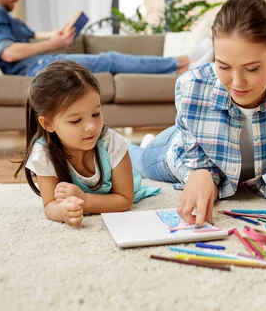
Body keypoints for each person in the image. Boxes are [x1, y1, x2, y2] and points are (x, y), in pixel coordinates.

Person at [129, 0, 266, 226]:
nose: (238, 82)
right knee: (136, 160)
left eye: (251, 68)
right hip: (175, 150)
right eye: (223, 66)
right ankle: (134, 143)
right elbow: (196, 165)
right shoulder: (191, 86)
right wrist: (200, 175)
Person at [0, 0, 209, 76]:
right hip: (35, 67)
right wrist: (53, 44)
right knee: (110, 59)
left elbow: (29, 34)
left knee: (109, 59)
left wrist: (56, 33)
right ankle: (182, 63)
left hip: (37, 63)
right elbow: (8, 53)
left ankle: (181, 64)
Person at [14, 60, 160, 227]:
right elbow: (50, 205)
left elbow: (125, 200)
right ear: (47, 124)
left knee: (151, 161)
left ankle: (149, 144)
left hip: (131, 163)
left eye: (96, 114)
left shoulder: (111, 142)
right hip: (121, 158)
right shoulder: (43, 153)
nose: (91, 127)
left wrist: (84, 199)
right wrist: (63, 211)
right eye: (76, 120)